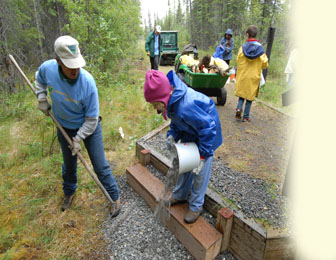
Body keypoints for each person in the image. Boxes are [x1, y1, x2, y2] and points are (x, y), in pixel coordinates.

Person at [34, 35, 121, 217]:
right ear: (58, 61)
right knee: (69, 165)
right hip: (63, 126)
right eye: (70, 65)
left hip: (88, 128)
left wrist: (79, 138)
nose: (75, 70)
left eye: (77, 64)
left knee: (100, 165)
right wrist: (41, 97)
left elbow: (91, 119)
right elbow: (39, 79)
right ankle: (69, 192)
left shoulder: (87, 83)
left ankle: (114, 198)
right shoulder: (48, 69)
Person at [143, 69, 223, 224]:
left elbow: (208, 128)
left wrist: (202, 156)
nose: (154, 108)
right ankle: (179, 195)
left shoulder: (186, 105)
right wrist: (172, 135)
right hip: (192, 130)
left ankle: (195, 206)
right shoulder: (172, 100)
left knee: (199, 173)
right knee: (184, 166)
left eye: (154, 104)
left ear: (162, 98)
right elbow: (177, 121)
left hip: (207, 135)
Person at [235, 25, 269, 122]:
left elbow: (238, 59)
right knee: (249, 97)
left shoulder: (243, 48)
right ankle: (246, 117)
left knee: (242, 94)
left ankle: (238, 108)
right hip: (254, 76)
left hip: (243, 75)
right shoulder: (261, 50)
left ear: (247, 34)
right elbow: (265, 64)